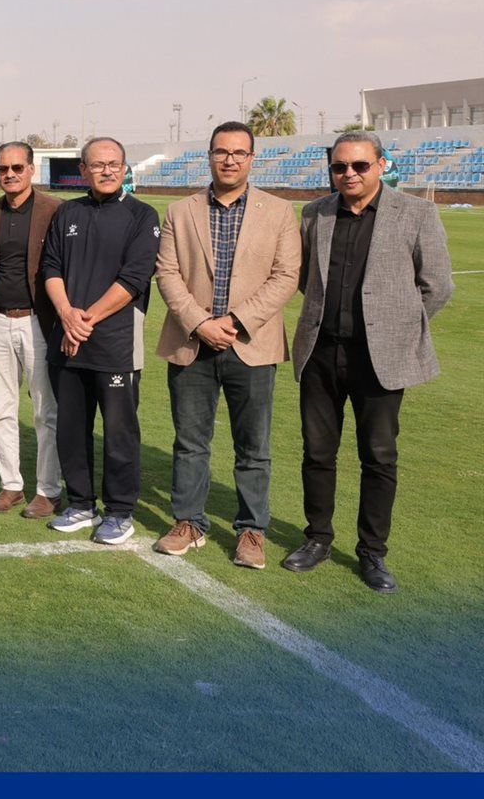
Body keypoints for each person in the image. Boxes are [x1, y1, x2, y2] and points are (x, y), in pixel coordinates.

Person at [284, 131, 454, 593]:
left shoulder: (416, 213)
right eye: (340, 167)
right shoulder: (315, 213)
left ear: (381, 165)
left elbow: (438, 285)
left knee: (378, 456)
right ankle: (318, 539)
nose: (349, 174)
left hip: (380, 358)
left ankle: (372, 552)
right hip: (321, 351)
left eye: (360, 165)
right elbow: (305, 279)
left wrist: (396, 327)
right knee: (317, 453)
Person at [154, 122, 300, 569]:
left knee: (253, 446)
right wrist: (201, 323)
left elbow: (285, 277)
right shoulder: (180, 212)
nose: (229, 160)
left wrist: (234, 322)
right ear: (210, 156)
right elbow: (168, 274)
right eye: (221, 152)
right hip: (192, 344)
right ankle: (188, 522)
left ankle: (252, 530)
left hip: (250, 344)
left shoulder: (279, 212)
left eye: (239, 152)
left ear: (252, 158)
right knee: (190, 442)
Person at [40, 136, 160, 545]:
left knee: (119, 432)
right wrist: (66, 315)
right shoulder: (68, 212)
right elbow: (51, 268)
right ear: (83, 170)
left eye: (113, 164)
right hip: (68, 339)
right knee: (71, 428)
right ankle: (81, 503)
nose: (106, 171)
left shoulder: (142, 215)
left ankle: (120, 511)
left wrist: (84, 320)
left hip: (115, 342)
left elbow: (134, 279)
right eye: (97, 164)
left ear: (124, 168)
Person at [0, 142, 64, 518]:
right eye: (3, 169)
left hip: (38, 320)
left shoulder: (54, 210)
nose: (10, 174)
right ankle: (11, 486)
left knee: (46, 411)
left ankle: (48, 490)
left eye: (17, 167)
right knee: (0, 409)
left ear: (31, 169)